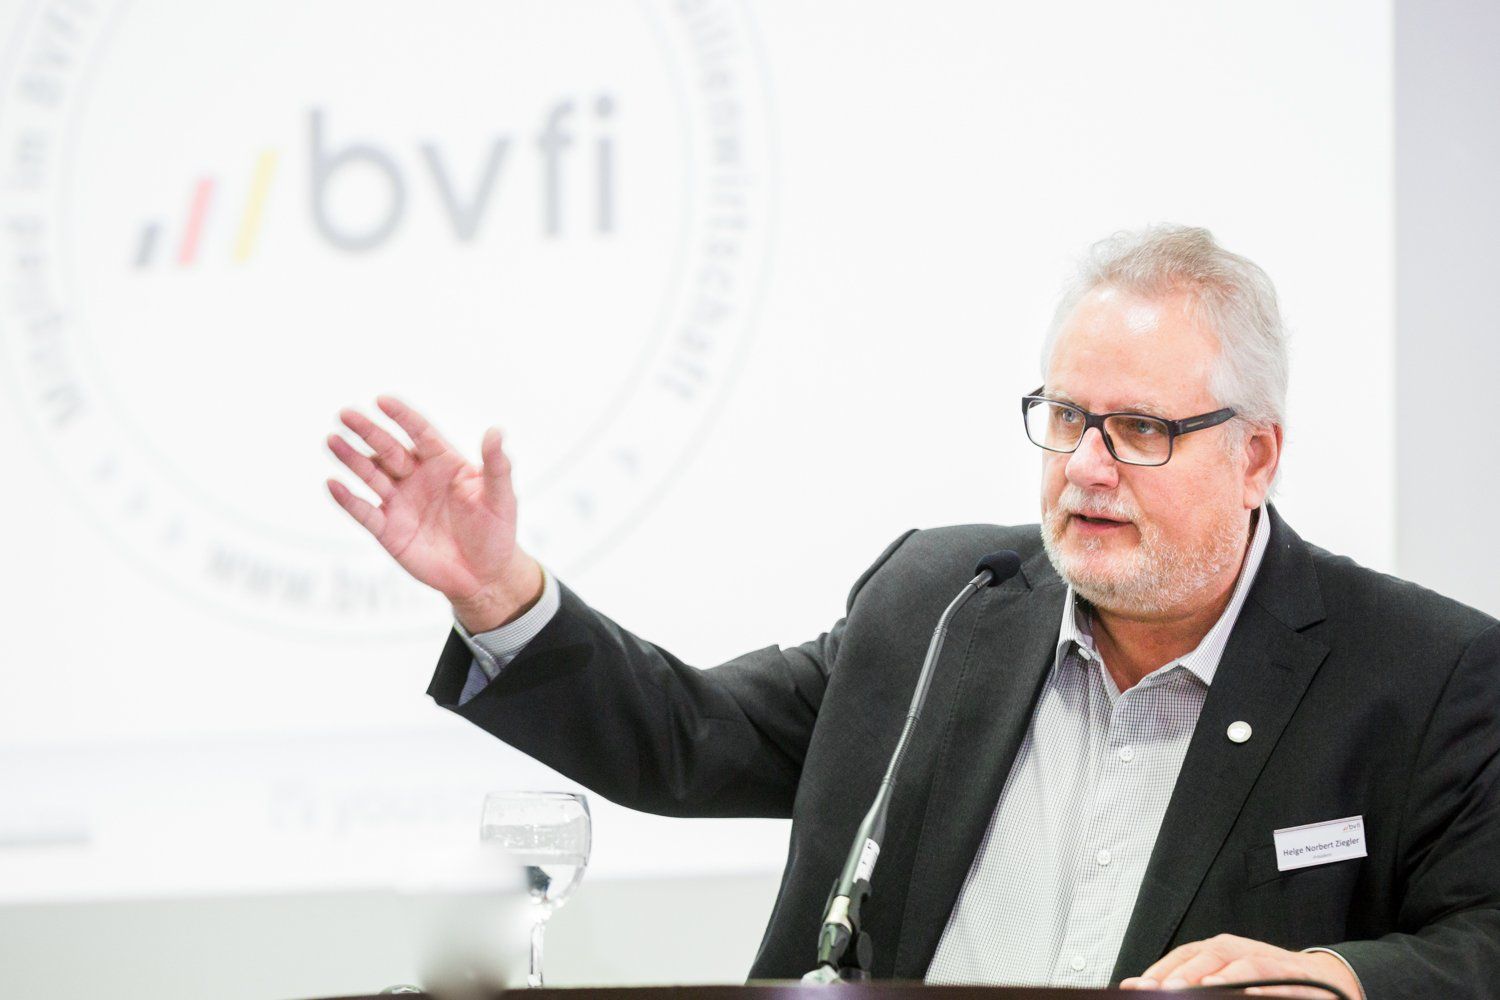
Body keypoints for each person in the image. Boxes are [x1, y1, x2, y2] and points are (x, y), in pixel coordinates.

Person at [326, 226, 1500, 998]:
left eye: (1140, 429)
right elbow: (686, 739)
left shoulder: (1422, 671)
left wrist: (1344, 977)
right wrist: (496, 591)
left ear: (1257, 456)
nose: (1087, 467)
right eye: (1066, 417)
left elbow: (1484, 935)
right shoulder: (948, 603)